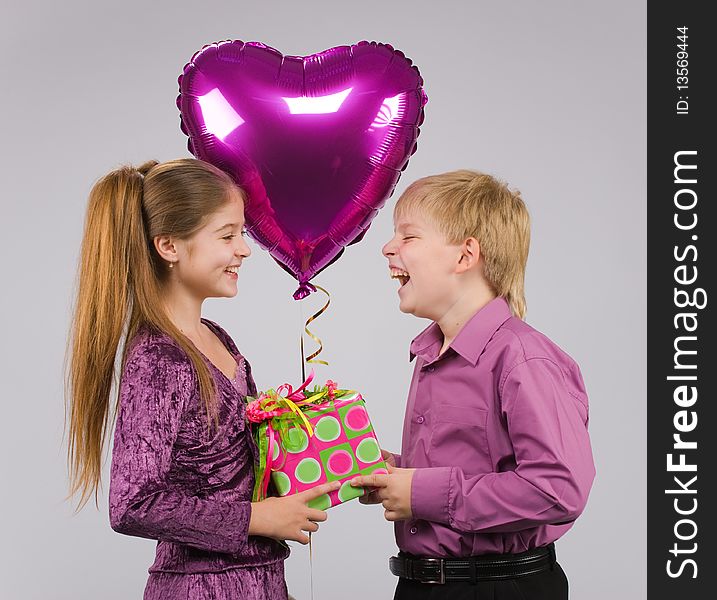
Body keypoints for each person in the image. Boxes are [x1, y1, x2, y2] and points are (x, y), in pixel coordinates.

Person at [65, 158, 340, 600]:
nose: (244, 249)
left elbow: (234, 467)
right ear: (169, 246)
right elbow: (132, 503)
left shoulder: (219, 339)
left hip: (262, 581)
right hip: (200, 589)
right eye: (227, 235)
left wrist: (312, 442)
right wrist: (258, 519)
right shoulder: (159, 359)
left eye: (242, 234)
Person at [351, 170, 595, 599]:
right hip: (421, 585)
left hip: (498, 588)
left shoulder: (522, 358)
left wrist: (421, 492)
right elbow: (476, 463)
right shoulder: (430, 352)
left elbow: (557, 489)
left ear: (465, 256)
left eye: (408, 237)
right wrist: (394, 472)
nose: (387, 248)